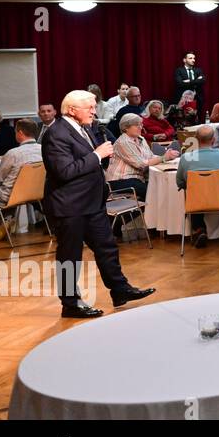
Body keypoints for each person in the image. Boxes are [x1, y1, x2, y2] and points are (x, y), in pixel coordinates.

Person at [41, 90, 156, 317]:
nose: (95, 111)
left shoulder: (84, 128)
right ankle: (70, 304)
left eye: (94, 107)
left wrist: (98, 158)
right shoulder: (56, 134)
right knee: (69, 257)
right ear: (72, 110)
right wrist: (96, 155)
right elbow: (64, 172)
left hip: (92, 202)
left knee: (107, 247)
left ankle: (120, 290)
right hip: (69, 206)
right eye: (90, 107)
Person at [177, 125, 219, 248]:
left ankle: (199, 229)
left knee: (194, 192)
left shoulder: (186, 157)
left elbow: (180, 182)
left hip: (198, 200)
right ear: (213, 139)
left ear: (196, 138)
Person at [107, 113, 177, 204]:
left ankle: (154, 214)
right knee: (155, 191)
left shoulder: (141, 139)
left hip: (136, 179)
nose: (140, 127)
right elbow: (140, 164)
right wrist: (163, 158)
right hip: (120, 181)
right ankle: (151, 215)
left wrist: (168, 157)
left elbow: (150, 157)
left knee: (161, 187)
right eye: (137, 125)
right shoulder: (123, 142)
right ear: (126, 128)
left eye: (141, 124)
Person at [0, 120, 43, 240]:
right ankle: (6, 220)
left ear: (20, 132)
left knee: (0, 189)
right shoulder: (43, 149)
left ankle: (0, 223)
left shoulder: (13, 154)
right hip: (36, 193)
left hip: (9, 196)